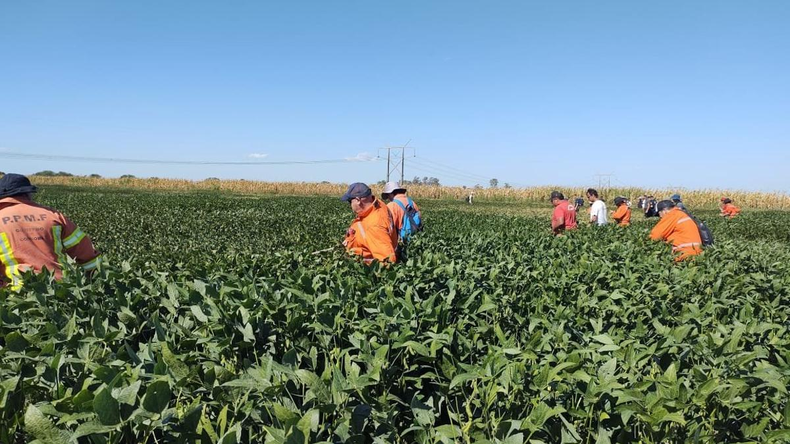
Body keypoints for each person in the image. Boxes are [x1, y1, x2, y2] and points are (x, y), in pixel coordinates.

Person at [0, 174, 101, 291]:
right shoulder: (53, 215)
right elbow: (85, 251)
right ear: (28, 194)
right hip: (60, 290)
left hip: (17, 294)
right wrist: (96, 282)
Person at [341, 183, 398, 264]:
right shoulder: (378, 204)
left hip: (366, 271)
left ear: (358, 200)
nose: (350, 205)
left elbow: (387, 261)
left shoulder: (374, 226)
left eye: (350, 201)